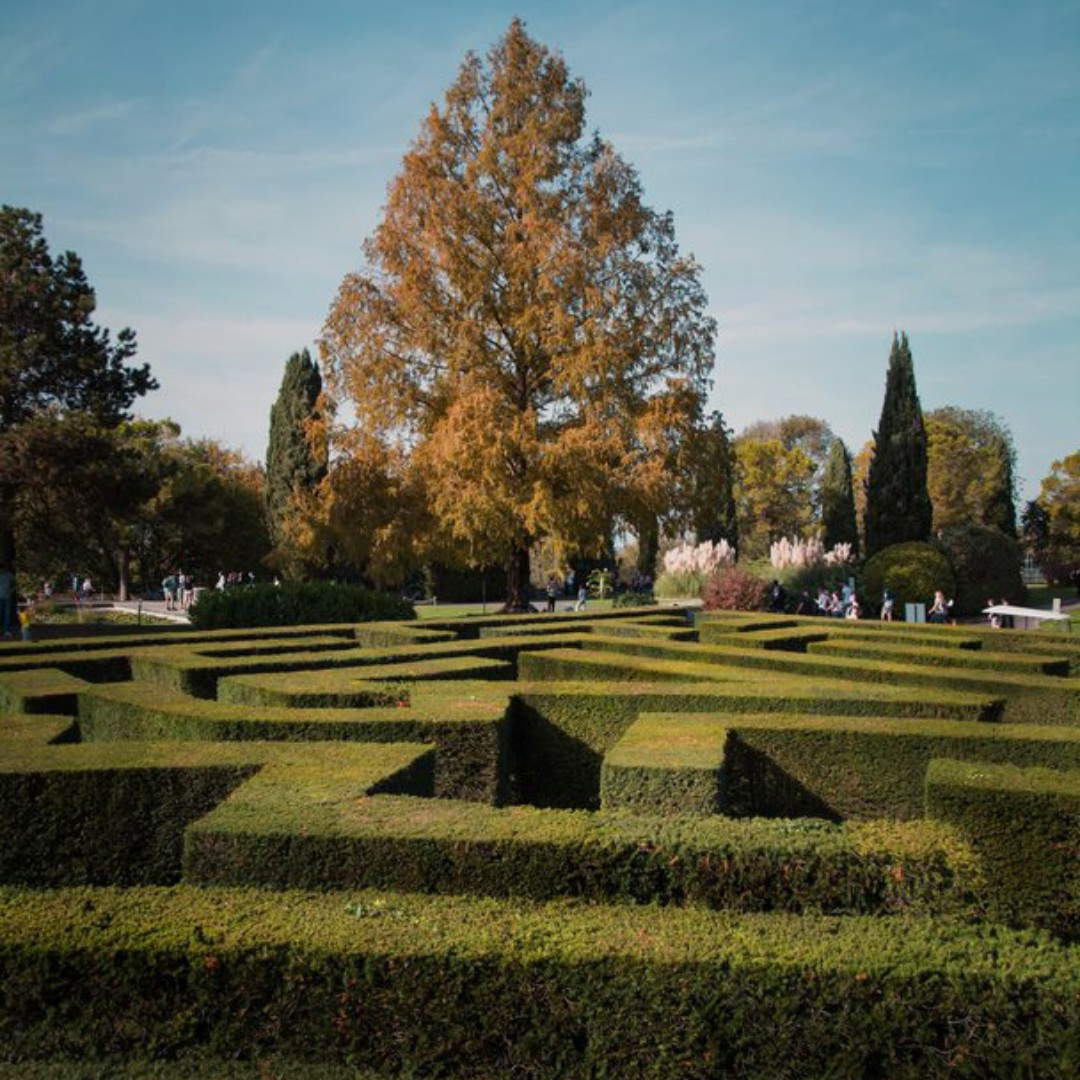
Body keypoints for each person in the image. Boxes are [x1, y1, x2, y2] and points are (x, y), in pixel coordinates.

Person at [0, 563, 15, 639]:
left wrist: (11, 591)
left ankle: (7, 631)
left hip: (7, 597)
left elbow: (13, 584)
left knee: (7, 615)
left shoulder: (9, 575)